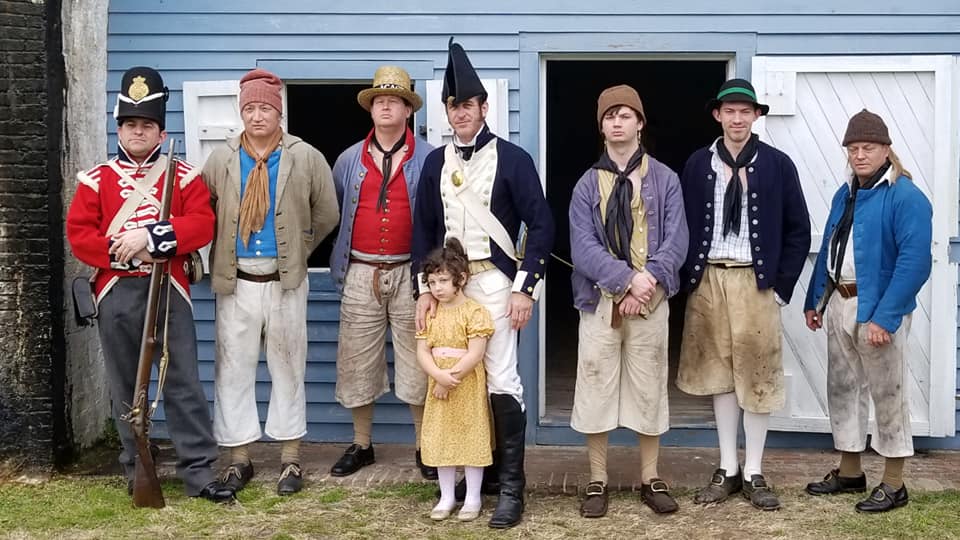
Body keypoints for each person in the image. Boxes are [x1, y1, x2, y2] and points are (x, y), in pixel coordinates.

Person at [66, 66, 233, 503]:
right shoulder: (96, 180)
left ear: (161, 132)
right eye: (130, 124)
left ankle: (198, 471)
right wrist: (131, 252)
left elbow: (201, 224)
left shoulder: (184, 176)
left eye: (146, 124)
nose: (137, 131)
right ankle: (135, 465)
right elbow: (81, 236)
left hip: (169, 289)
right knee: (126, 384)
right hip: (116, 291)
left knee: (182, 383)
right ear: (120, 130)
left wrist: (150, 237)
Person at [411, 38, 555, 529]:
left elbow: (541, 225)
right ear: (447, 111)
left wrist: (524, 288)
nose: (461, 113)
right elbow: (423, 231)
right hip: (446, 288)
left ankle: (511, 489)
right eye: (454, 106)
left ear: (484, 107)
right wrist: (423, 292)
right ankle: (475, 477)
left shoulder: (513, 159)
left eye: (468, 105)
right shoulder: (436, 162)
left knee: (500, 377)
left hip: (494, 282)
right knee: (454, 374)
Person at [203, 68, 339, 496]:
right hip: (236, 280)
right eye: (250, 108)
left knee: (288, 365)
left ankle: (290, 458)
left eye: (265, 108)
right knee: (233, 369)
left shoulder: (305, 156)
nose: (257, 116)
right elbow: (204, 210)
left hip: (285, 281)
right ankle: (238, 459)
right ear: (240, 112)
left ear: (279, 112)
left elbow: (327, 211)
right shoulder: (222, 159)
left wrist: (299, 246)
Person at [676, 79, 811, 511]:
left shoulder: (777, 165)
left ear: (756, 116)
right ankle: (727, 467)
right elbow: (679, 225)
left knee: (757, 375)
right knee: (718, 375)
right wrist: (687, 278)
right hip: (710, 279)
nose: (737, 119)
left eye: (745, 111)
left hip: (756, 281)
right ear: (718, 115)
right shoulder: (698, 164)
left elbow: (799, 230)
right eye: (730, 111)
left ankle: (754, 469)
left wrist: (781, 288)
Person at [803, 110, 932, 513]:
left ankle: (894, 483)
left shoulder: (905, 196)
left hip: (877, 308)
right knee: (843, 389)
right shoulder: (846, 194)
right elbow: (831, 247)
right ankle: (850, 471)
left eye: (868, 148)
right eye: (853, 148)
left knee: (888, 393)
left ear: (886, 150)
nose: (859, 155)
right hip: (840, 301)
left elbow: (915, 262)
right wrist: (815, 300)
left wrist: (885, 317)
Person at [568, 85, 688, 518]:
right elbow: (582, 246)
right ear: (601, 127)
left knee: (649, 386)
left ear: (640, 123)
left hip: (651, 300)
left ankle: (650, 477)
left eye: (625, 115)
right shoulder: (587, 184)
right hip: (601, 302)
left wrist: (647, 282)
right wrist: (624, 282)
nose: (617, 122)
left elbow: (677, 238)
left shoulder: (665, 179)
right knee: (596, 385)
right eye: (609, 116)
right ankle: (597, 479)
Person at [329, 66, 435, 480]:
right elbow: (334, 210)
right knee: (356, 361)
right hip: (360, 269)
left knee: (417, 360)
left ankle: (425, 446)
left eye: (395, 100)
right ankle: (362, 443)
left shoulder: (428, 157)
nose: (386, 106)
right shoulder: (348, 159)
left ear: (408, 110)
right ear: (370, 109)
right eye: (379, 101)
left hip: (412, 272)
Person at [416, 238, 495, 522]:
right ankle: (447, 496)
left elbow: (475, 352)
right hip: (438, 383)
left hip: (465, 384)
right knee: (442, 438)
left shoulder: (474, 312)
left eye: (443, 281)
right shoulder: (432, 313)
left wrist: (450, 378)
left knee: (470, 436)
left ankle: (473, 497)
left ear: (460, 279)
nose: (437, 288)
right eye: (432, 282)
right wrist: (437, 375)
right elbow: (422, 350)